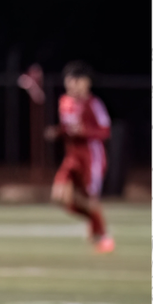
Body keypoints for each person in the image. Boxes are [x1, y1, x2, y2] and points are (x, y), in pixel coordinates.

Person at [44, 60, 114, 253]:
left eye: (76, 80)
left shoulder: (94, 104)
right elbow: (67, 129)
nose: (72, 85)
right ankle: (95, 219)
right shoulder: (64, 102)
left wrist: (85, 131)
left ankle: (104, 236)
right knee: (58, 197)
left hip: (92, 156)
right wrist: (57, 132)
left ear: (86, 82)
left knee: (90, 199)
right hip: (72, 156)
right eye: (69, 81)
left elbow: (105, 131)